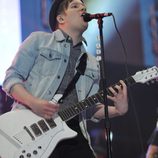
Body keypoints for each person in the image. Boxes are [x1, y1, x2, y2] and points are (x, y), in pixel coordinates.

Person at [2, 0, 128, 157]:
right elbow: (11, 79)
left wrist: (118, 110)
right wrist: (34, 103)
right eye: (75, 6)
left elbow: (90, 108)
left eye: (84, 6)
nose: (82, 8)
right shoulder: (39, 40)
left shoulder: (92, 63)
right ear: (61, 19)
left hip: (72, 133)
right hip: (33, 128)